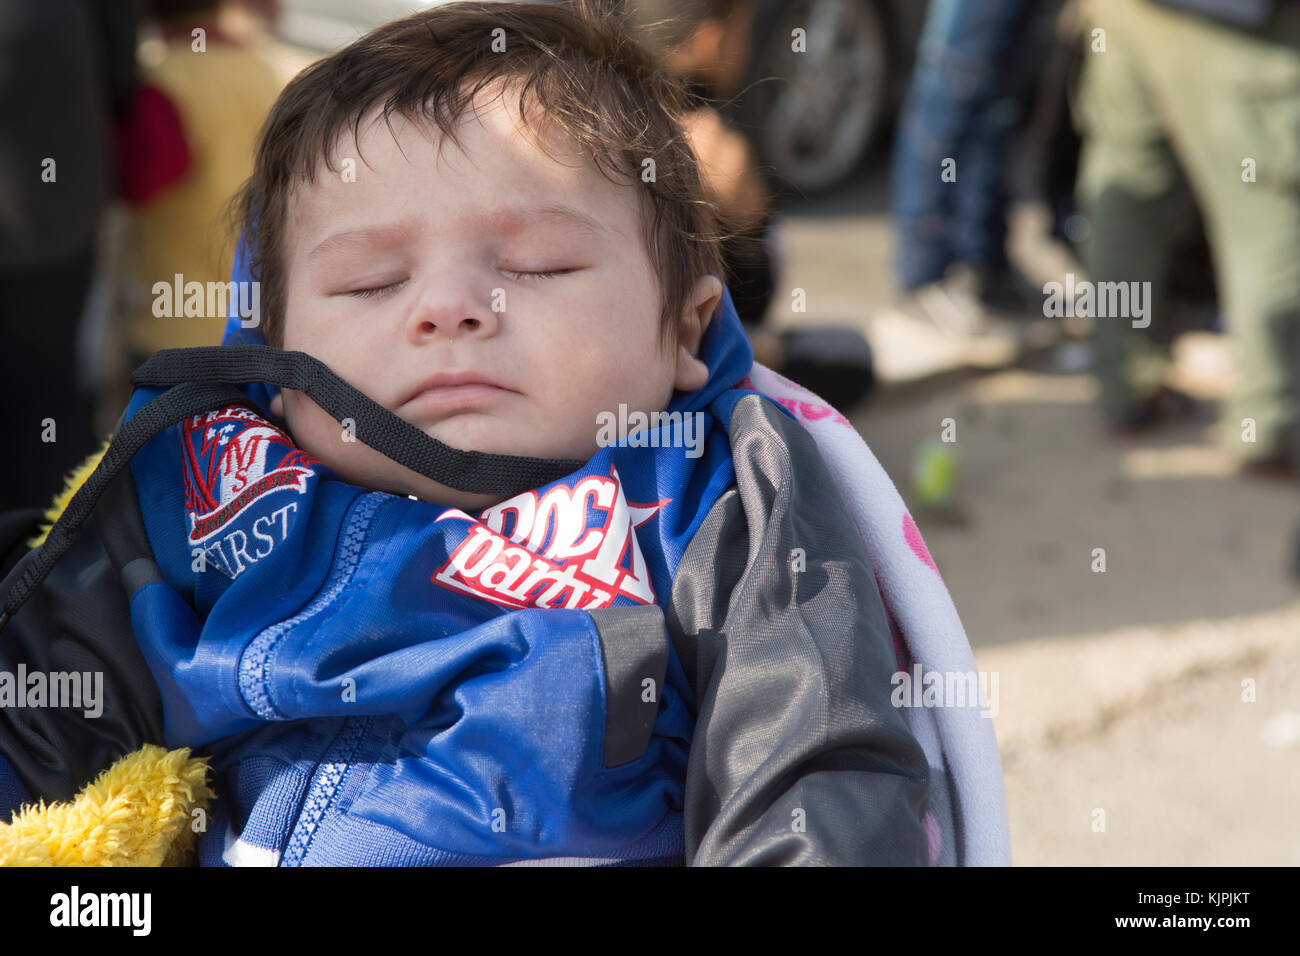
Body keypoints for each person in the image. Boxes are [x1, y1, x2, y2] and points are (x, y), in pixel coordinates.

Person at [0, 1, 955, 866]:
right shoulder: (205, 497)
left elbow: (819, 782)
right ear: (270, 361)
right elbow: (40, 721)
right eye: (372, 282)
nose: (453, 307)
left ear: (687, 331)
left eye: (538, 265)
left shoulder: (708, 505)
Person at [1076, 0, 1300, 480]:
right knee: (1269, 220)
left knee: (1128, 193)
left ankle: (1124, 386)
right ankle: (1271, 426)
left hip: (1128, 14)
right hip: (1238, 32)